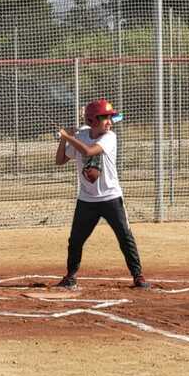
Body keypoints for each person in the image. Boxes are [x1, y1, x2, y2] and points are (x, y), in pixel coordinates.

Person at [55, 98, 149, 290]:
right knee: (76, 240)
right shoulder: (81, 135)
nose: (110, 122)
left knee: (125, 236)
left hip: (111, 197)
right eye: (105, 118)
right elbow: (60, 160)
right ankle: (70, 276)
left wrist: (70, 136)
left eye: (110, 118)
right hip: (87, 199)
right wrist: (64, 139)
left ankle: (138, 276)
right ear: (91, 121)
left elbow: (89, 152)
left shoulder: (110, 137)